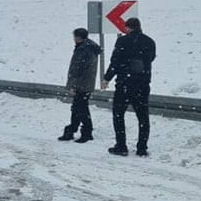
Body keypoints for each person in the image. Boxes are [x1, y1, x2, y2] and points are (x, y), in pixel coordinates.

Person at [102, 16, 156, 156]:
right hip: (142, 84)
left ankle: (121, 146)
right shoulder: (149, 42)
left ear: (127, 28)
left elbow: (115, 62)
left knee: (118, 115)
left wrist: (107, 78)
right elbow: (151, 58)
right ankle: (142, 148)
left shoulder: (123, 41)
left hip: (124, 84)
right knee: (143, 117)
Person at [59, 28, 101, 143]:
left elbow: (78, 69)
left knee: (81, 108)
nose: (74, 38)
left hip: (81, 84)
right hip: (86, 83)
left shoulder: (83, 49)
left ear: (78, 37)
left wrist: (74, 85)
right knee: (78, 107)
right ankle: (74, 130)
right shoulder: (88, 47)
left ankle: (85, 131)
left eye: (75, 36)